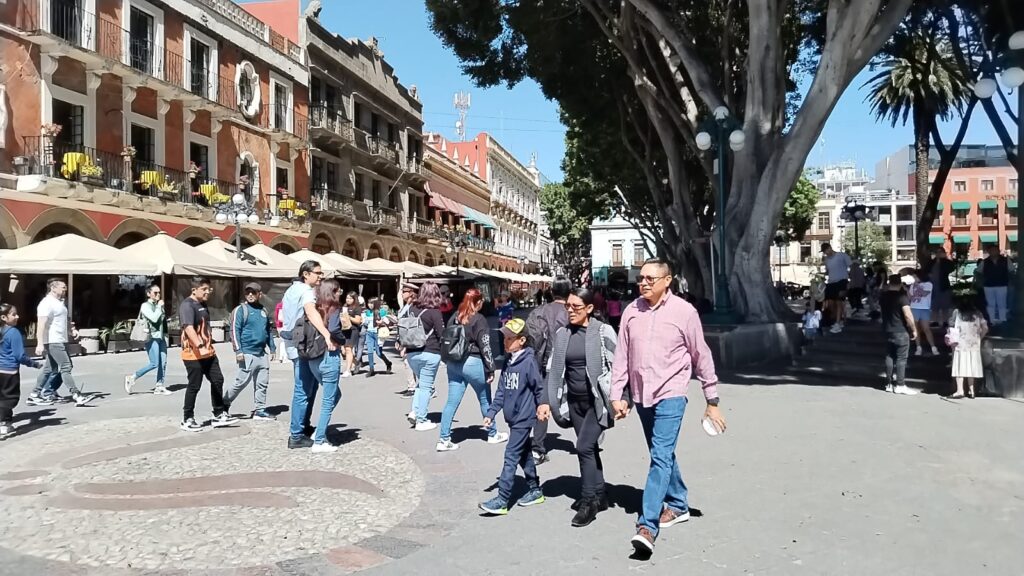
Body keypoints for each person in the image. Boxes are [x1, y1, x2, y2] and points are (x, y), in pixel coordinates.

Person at [609, 258, 725, 556]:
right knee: (661, 452)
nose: (643, 283)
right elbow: (622, 356)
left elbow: (701, 355)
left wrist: (712, 401)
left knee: (659, 455)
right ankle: (679, 503)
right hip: (641, 395)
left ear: (667, 280)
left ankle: (647, 526)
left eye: (650, 279)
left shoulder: (684, 312)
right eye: (641, 279)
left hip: (672, 393)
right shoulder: (631, 312)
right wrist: (617, 395)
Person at [541, 287, 618, 528]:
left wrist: (623, 398)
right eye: (568, 306)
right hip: (574, 402)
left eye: (576, 307)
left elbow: (620, 366)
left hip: (598, 402)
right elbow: (553, 369)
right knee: (591, 449)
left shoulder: (603, 331)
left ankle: (588, 502)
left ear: (589, 309)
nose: (570, 311)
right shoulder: (563, 334)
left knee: (583, 447)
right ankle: (600, 494)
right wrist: (545, 400)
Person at [479, 318, 547, 515]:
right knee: (524, 454)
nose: (505, 341)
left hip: (523, 418)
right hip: (512, 418)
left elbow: (538, 388)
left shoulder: (529, 362)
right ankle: (535, 489)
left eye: (510, 338)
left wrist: (542, 406)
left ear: (522, 340)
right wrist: (491, 413)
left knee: (510, 456)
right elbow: (501, 390)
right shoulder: (509, 361)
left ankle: (502, 499)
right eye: (504, 337)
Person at [436, 288, 508, 451]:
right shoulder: (479, 319)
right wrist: (490, 368)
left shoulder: (455, 316)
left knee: (451, 401)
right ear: (477, 302)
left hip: (454, 362)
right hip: (472, 361)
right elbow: (485, 345)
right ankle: (492, 433)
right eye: (481, 302)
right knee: (484, 399)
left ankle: (444, 439)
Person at [280, 261, 336, 449]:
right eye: (317, 273)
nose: (320, 276)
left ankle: (303, 427)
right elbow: (311, 312)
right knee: (303, 389)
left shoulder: (291, 290)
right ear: (306, 274)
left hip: (294, 344)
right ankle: (296, 434)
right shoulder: (306, 291)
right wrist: (326, 333)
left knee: (308, 388)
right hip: (303, 346)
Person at [524, 276, 571, 465]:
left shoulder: (538, 311)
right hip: (567, 362)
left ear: (551, 292)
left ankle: (537, 448)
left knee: (541, 403)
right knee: (577, 398)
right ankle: (588, 438)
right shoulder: (572, 311)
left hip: (541, 363)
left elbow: (529, 338)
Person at [179, 277, 236, 431]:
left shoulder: (202, 304)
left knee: (218, 380)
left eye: (208, 289)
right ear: (194, 290)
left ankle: (218, 414)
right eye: (204, 289)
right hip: (193, 354)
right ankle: (187, 418)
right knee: (194, 386)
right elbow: (188, 327)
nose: (207, 292)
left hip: (208, 353)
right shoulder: (187, 305)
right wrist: (199, 344)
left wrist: (208, 345)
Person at [30, 278, 91, 406]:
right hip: (53, 341)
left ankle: (36, 394)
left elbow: (64, 320)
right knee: (66, 367)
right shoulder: (46, 303)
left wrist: (71, 330)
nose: (65, 289)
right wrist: (40, 343)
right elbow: (41, 324)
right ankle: (76, 394)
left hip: (61, 339)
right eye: (63, 287)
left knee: (50, 368)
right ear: (53, 288)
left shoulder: (59, 303)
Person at [223, 282, 276, 420]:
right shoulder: (241, 310)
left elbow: (268, 331)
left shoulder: (263, 311)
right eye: (248, 292)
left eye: (253, 292)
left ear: (260, 294)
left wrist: (272, 348)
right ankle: (223, 404)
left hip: (261, 353)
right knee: (240, 382)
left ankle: (259, 410)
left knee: (262, 384)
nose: (250, 295)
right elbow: (234, 330)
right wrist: (238, 350)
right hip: (247, 353)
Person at [404, 282, 446, 431]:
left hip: (411, 352)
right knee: (426, 387)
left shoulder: (411, 309)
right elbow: (442, 334)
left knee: (421, 385)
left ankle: (415, 412)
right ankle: (421, 419)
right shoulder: (434, 312)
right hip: (429, 352)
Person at [311, 279, 346, 453]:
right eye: (339, 290)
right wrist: (342, 341)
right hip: (329, 355)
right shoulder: (334, 308)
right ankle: (319, 440)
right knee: (328, 400)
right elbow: (334, 329)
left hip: (312, 357)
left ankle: (319, 430)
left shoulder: (314, 307)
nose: (341, 292)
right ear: (333, 291)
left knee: (335, 394)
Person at [0, 304, 44, 439]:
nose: (17, 316)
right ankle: (3, 425)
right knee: (9, 399)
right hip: (9, 371)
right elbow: (20, 356)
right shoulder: (13, 333)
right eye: (13, 314)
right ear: (3, 317)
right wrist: (34, 364)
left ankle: (6, 423)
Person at [124, 285, 171, 396]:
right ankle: (132, 377)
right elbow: (154, 318)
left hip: (161, 337)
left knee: (163, 363)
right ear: (148, 294)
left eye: (159, 293)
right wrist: (160, 307)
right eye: (155, 293)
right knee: (154, 363)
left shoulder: (159, 305)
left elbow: (162, 322)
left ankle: (159, 385)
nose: (158, 295)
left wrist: (165, 336)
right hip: (151, 337)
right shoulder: (145, 306)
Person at [880, 274, 919, 395]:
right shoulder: (902, 297)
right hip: (900, 330)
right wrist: (913, 329)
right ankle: (900, 384)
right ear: (900, 284)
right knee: (901, 358)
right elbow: (907, 315)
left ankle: (889, 383)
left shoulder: (883, 296)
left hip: (887, 329)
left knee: (889, 356)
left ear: (889, 283)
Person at [947, 297, 988, 399]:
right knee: (971, 367)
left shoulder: (957, 312)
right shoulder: (978, 313)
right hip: (974, 344)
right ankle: (971, 391)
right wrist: (979, 337)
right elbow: (985, 328)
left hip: (959, 344)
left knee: (959, 366)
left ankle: (960, 390)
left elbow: (951, 326)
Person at [820, 243, 852, 333]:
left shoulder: (842, 256)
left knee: (839, 301)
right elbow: (828, 271)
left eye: (826, 251)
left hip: (842, 281)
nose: (825, 253)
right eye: (824, 252)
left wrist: (850, 281)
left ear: (830, 248)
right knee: (830, 302)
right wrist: (820, 275)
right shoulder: (826, 260)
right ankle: (839, 320)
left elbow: (851, 266)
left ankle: (838, 323)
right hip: (831, 282)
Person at [908, 270, 939, 356]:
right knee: (916, 329)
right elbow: (910, 297)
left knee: (926, 328)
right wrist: (907, 290)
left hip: (924, 308)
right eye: (913, 277)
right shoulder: (912, 285)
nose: (914, 279)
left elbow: (925, 294)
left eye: (915, 277)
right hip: (914, 307)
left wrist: (917, 286)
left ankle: (933, 347)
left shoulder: (928, 284)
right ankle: (918, 347)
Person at [978, 244, 1011, 325]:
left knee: (1002, 302)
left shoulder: (1006, 260)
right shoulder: (984, 262)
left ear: (998, 251)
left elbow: (1011, 271)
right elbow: (978, 272)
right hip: (988, 285)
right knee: (990, 303)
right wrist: (981, 281)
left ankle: (1002, 319)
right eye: (992, 250)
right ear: (989, 252)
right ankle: (991, 319)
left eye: (995, 250)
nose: (994, 252)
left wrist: (1010, 281)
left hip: (1002, 284)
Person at [362, 298, 393, 377]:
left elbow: (388, 321)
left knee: (379, 353)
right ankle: (371, 369)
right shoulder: (367, 312)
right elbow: (365, 323)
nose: (370, 305)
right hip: (369, 333)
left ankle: (388, 363)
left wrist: (381, 322)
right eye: (369, 303)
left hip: (378, 334)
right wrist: (364, 321)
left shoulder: (381, 311)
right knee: (369, 351)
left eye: (372, 303)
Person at [397, 283, 419, 397]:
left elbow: (410, 325)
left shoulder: (414, 307)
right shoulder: (406, 306)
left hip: (410, 340)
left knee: (410, 363)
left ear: (411, 293)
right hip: (404, 338)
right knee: (408, 363)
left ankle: (414, 387)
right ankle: (412, 386)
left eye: (404, 291)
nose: (402, 294)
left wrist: (404, 344)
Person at [926, 247, 956, 327]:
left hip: (944, 285)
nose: (938, 254)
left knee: (945, 305)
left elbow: (951, 268)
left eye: (940, 252)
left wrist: (943, 260)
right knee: (934, 306)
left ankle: (945, 321)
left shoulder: (946, 262)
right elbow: (926, 270)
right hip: (933, 286)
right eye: (937, 252)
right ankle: (934, 321)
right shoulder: (931, 262)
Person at [340, 292, 363, 377]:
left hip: (353, 330)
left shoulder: (357, 308)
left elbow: (358, 321)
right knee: (344, 351)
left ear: (354, 299)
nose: (348, 300)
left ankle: (348, 370)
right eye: (347, 298)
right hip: (344, 329)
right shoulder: (344, 307)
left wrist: (348, 317)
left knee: (348, 349)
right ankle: (357, 362)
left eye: (350, 298)